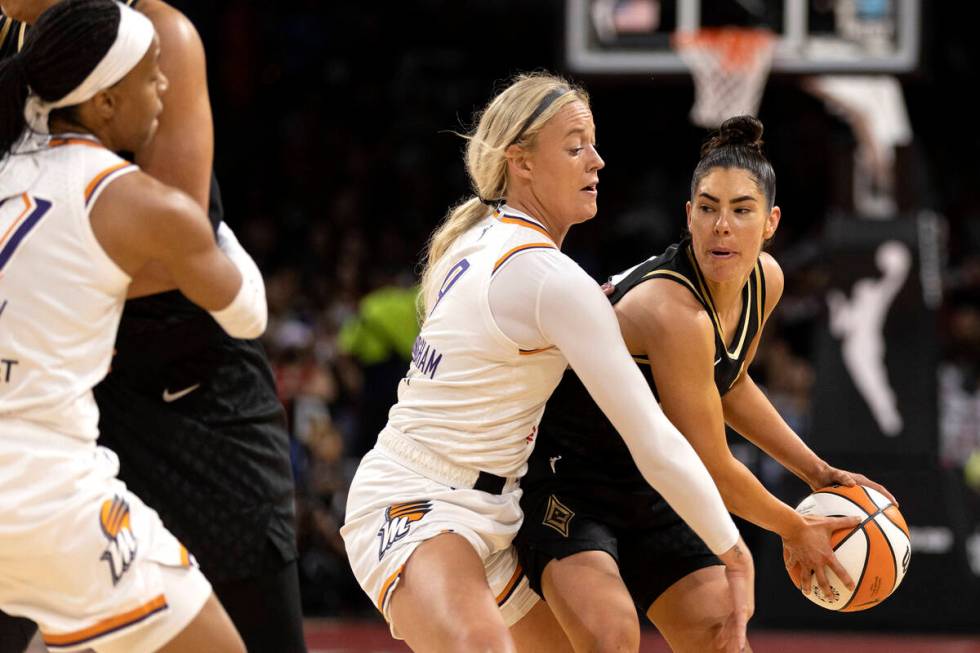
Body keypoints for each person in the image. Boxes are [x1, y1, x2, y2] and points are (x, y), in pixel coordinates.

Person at [340, 72, 754, 653]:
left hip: (498, 507)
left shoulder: (480, 237)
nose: (598, 161)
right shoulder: (546, 278)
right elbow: (654, 441)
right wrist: (734, 552)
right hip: (419, 499)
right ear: (522, 162)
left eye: (593, 143)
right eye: (576, 146)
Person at [515, 115, 895, 652]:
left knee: (723, 635)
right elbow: (711, 465)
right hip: (572, 486)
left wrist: (819, 473)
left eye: (742, 211)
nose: (723, 225)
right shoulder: (672, 311)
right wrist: (793, 527)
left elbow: (729, 384)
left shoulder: (766, 279)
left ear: (770, 223)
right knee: (610, 638)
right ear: (688, 216)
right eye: (709, 208)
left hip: (655, 488)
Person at [0, 0, 304, 650]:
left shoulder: (154, 29)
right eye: (151, 79)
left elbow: (158, 258)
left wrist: (49, 281)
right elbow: (227, 289)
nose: (160, 87)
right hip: (66, 426)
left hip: (182, 396)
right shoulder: (114, 192)